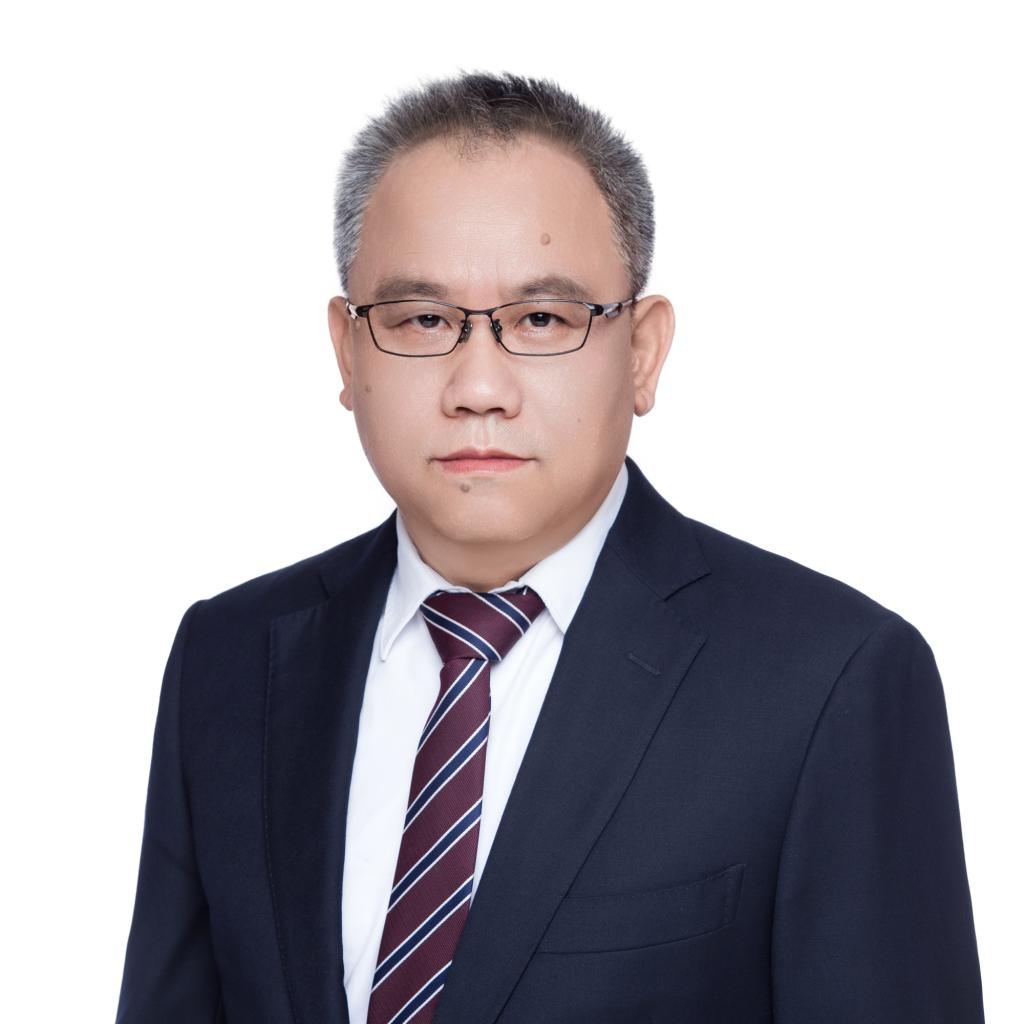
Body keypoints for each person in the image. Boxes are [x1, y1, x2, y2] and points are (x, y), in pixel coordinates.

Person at [115, 70, 985, 1024]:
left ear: (643, 351)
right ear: (347, 351)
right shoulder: (230, 659)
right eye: (422, 320)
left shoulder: (829, 681)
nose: (479, 387)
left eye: (541, 320)